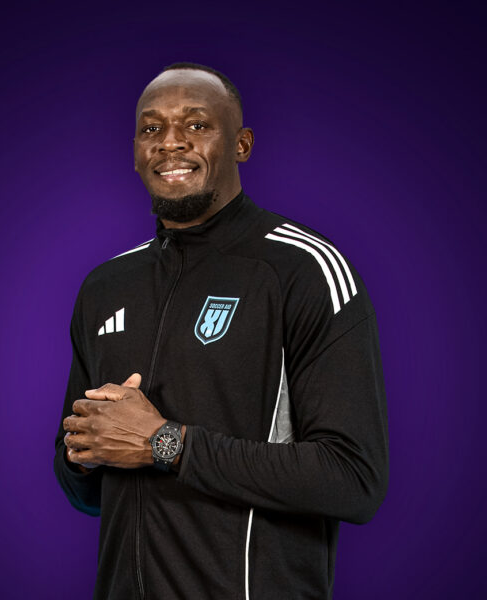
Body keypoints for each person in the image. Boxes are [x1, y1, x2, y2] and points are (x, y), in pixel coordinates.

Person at [53, 62, 389, 600]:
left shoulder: (302, 269)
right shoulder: (105, 286)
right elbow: (87, 491)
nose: (170, 142)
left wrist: (165, 444)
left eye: (196, 124)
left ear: (242, 144)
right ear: (135, 151)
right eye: (151, 128)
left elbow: (353, 478)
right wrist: (85, 454)